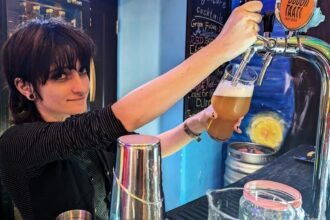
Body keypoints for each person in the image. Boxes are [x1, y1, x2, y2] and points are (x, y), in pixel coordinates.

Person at [0, 1, 262, 219]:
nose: (81, 87)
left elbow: (145, 150)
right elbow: (124, 115)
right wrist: (221, 49)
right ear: (25, 87)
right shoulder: (17, 144)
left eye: (81, 71)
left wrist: (198, 122)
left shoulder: (83, 128)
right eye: (60, 76)